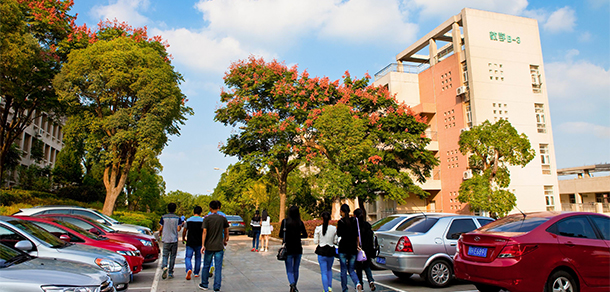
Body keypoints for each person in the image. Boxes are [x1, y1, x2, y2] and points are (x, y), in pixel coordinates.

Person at [199, 200, 229, 291]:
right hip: (219, 246)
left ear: (210, 208)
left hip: (209, 246)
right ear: (219, 208)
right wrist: (224, 240)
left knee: (206, 265)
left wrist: (203, 245)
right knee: (218, 267)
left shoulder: (206, 219)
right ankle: (217, 286)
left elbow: (204, 232)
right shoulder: (222, 218)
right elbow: (226, 231)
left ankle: (204, 284)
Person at [279, 206, 308, 292]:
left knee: (289, 269)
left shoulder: (285, 222)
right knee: (296, 268)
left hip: (288, 248)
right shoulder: (300, 223)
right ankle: (294, 285)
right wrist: (298, 236)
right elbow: (305, 235)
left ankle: (292, 285)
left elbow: (281, 235)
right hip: (298, 248)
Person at [337, 204, 362, 292]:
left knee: (343, 270)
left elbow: (339, 234)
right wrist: (358, 245)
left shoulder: (340, 222)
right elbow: (357, 234)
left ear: (342, 211)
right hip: (352, 248)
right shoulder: (354, 220)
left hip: (343, 248)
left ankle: (345, 289)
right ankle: (357, 283)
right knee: (351, 269)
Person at [314, 211, 337, 292]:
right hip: (331, 251)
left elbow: (315, 241)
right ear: (330, 218)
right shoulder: (334, 229)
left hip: (321, 251)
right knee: (329, 270)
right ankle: (330, 287)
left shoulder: (318, 229)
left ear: (321, 218)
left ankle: (326, 289)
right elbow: (335, 241)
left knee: (323, 272)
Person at [159, 202, 184, 280]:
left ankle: (164, 266)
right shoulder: (177, 218)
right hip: (174, 240)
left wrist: (160, 233)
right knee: (173, 256)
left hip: (166, 239)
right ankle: (170, 272)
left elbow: (161, 228)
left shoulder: (163, 217)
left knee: (165, 255)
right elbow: (178, 229)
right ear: (175, 209)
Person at [354, 208, 376, 291]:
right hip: (367, 250)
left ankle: (361, 286)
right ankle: (371, 281)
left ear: (355, 216)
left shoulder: (355, 226)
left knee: (359, 268)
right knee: (367, 266)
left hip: (359, 249)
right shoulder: (367, 225)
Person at [183, 206, 204, 280]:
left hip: (190, 242)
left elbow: (184, 230)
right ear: (200, 212)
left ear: (193, 212)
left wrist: (183, 238)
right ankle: (196, 273)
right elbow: (204, 231)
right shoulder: (202, 221)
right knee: (198, 258)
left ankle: (189, 269)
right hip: (199, 242)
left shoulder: (188, 220)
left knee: (188, 257)